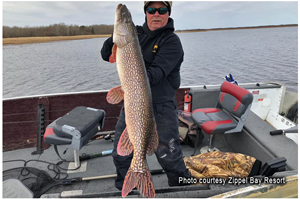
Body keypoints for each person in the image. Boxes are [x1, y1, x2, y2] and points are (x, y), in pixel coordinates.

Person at [101, 1, 190, 190]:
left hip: (162, 107)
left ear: (168, 13)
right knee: (121, 154)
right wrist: (116, 38)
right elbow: (105, 54)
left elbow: (154, 76)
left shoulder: (171, 42)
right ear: (146, 13)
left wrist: (130, 80)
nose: (156, 14)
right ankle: (129, 188)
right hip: (134, 104)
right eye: (151, 10)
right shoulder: (136, 35)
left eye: (162, 10)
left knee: (169, 156)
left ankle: (184, 189)